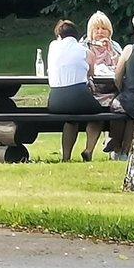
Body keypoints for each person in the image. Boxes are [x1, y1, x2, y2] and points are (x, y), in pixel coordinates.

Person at [46, 19, 105, 161]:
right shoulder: (85, 51)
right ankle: (88, 150)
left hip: (55, 101)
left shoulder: (53, 46)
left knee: (71, 120)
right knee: (99, 115)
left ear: (59, 36)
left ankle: (66, 157)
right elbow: (91, 73)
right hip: (77, 96)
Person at [107, 10, 134, 159]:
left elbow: (117, 78)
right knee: (133, 113)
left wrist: (121, 90)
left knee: (117, 106)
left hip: (130, 98)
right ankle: (126, 147)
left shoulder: (129, 49)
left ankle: (117, 145)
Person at [83, 10, 124, 108]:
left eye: (104, 28)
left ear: (109, 32)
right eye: (96, 29)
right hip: (93, 90)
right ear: (90, 32)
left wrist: (111, 52)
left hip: (114, 89)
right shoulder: (85, 47)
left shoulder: (115, 46)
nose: (100, 32)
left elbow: (122, 68)